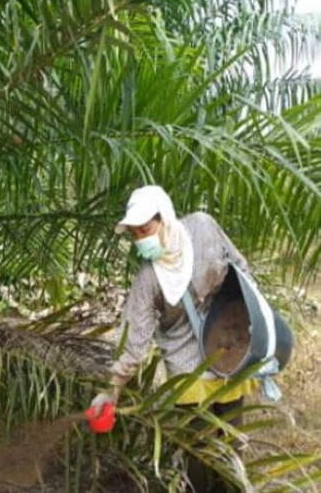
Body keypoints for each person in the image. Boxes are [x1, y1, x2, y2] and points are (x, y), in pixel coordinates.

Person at [89, 185, 257, 491]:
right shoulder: (148, 279)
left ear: (164, 218)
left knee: (232, 444)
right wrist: (111, 391)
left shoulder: (203, 229)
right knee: (199, 452)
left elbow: (240, 268)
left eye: (145, 229)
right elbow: (134, 339)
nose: (141, 239)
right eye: (135, 234)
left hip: (229, 348)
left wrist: (251, 317)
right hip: (187, 368)